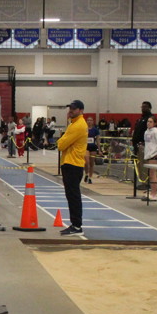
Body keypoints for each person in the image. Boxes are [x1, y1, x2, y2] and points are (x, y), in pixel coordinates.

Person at [57, 100, 88, 236]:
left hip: (73, 164)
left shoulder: (78, 125)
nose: (71, 111)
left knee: (73, 196)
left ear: (81, 110)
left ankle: (77, 225)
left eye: (74, 109)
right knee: (71, 195)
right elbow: (63, 141)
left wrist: (62, 140)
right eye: (70, 108)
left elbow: (61, 144)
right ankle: (75, 224)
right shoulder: (73, 124)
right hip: (70, 163)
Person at [85, 115, 100, 183]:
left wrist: (99, 150)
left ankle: (90, 177)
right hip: (86, 147)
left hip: (93, 147)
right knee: (86, 162)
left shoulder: (95, 130)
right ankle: (86, 174)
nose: (89, 122)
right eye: (88, 120)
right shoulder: (84, 129)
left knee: (91, 163)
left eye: (91, 120)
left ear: (93, 122)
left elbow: (98, 140)